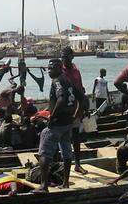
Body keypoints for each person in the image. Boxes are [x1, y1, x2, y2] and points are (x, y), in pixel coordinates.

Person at [33, 58, 78, 193]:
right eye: (48, 68)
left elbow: (61, 99)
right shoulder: (67, 80)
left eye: (52, 68)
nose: (49, 70)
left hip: (57, 123)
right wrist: (75, 113)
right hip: (67, 123)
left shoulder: (57, 81)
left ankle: (43, 186)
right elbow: (80, 97)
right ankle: (65, 182)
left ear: (59, 69)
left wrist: (52, 116)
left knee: (45, 152)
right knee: (66, 152)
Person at [61, 46, 88, 174]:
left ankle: (77, 164)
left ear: (72, 57)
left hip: (76, 108)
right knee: (63, 138)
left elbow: (80, 88)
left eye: (66, 56)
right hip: (64, 109)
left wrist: (83, 106)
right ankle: (63, 165)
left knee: (76, 137)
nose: (64, 59)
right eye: (62, 57)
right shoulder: (60, 71)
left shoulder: (76, 71)